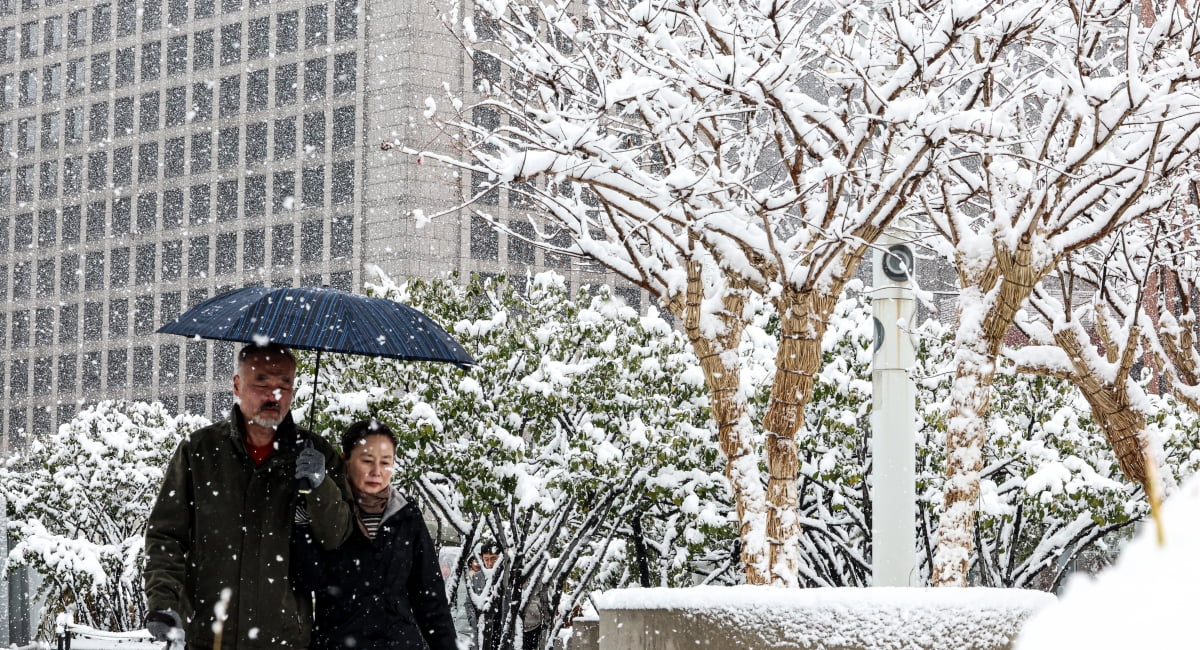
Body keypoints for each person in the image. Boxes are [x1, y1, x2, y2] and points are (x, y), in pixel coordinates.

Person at [143, 342, 354, 649]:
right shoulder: (199, 451)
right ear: (237, 385)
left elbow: (338, 538)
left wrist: (320, 487)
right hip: (209, 635)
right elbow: (166, 536)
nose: (274, 395)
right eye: (262, 382)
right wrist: (163, 602)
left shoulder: (315, 455)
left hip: (282, 637)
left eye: (285, 384)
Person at [292, 419, 458, 650]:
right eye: (367, 460)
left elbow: (431, 601)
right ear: (345, 460)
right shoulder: (325, 513)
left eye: (386, 462)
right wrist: (306, 515)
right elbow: (308, 578)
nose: (377, 472)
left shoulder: (405, 515)